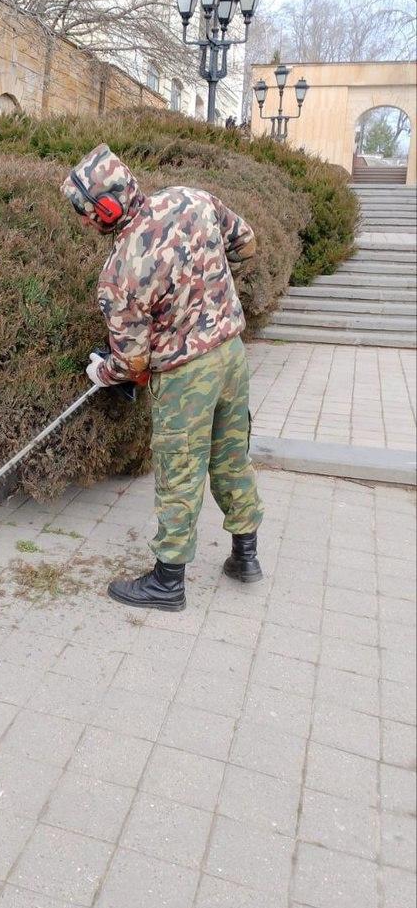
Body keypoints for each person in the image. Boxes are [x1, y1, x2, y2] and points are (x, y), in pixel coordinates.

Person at [60, 144, 264, 612]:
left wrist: (100, 371)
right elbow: (246, 243)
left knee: (180, 470)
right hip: (231, 354)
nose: (86, 222)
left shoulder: (119, 273)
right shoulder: (192, 198)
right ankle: (245, 555)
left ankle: (168, 581)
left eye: (86, 213)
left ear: (106, 208)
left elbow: (132, 363)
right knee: (232, 452)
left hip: (185, 374)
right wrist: (206, 283)